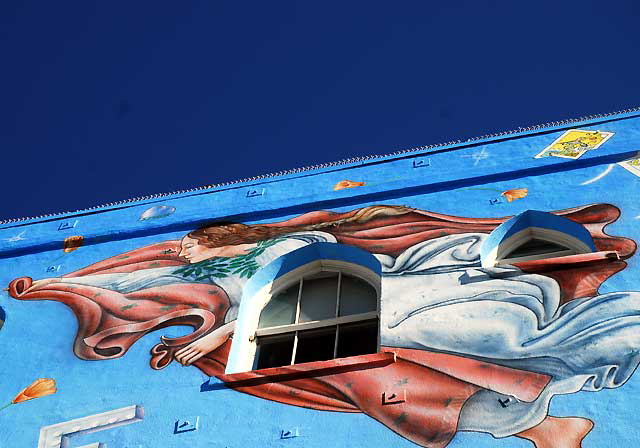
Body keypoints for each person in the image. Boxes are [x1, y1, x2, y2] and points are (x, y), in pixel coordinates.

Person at [8, 203, 638, 448]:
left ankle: (581, 377)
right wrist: (52, 287)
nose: (184, 255)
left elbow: (287, 299)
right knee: (412, 390)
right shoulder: (236, 275)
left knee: (494, 342)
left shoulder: (284, 251)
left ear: (219, 237)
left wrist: (206, 337)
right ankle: (546, 422)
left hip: (365, 305)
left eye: (192, 248)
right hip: (337, 332)